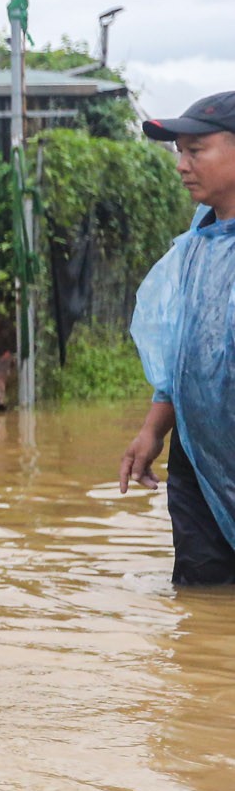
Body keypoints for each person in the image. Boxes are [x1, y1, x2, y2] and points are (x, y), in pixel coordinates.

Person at [120, 91, 235, 585]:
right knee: (200, 598)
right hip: (197, 452)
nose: (182, 165)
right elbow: (184, 351)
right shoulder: (200, 236)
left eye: (196, 150)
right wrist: (154, 429)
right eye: (179, 152)